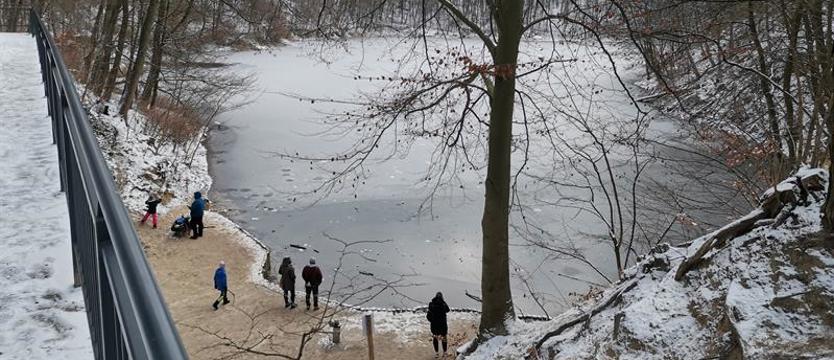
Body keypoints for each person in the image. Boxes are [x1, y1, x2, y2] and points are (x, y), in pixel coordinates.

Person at [426, 292, 450, 358]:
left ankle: (437, 353)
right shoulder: (443, 304)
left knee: (435, 339)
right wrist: (443, 301)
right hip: (443, 326)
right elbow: (448, 310)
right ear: (442, 297)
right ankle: (445, 353)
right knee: (444, 339)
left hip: (434, 326)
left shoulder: (431, 304)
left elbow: (428, 315)